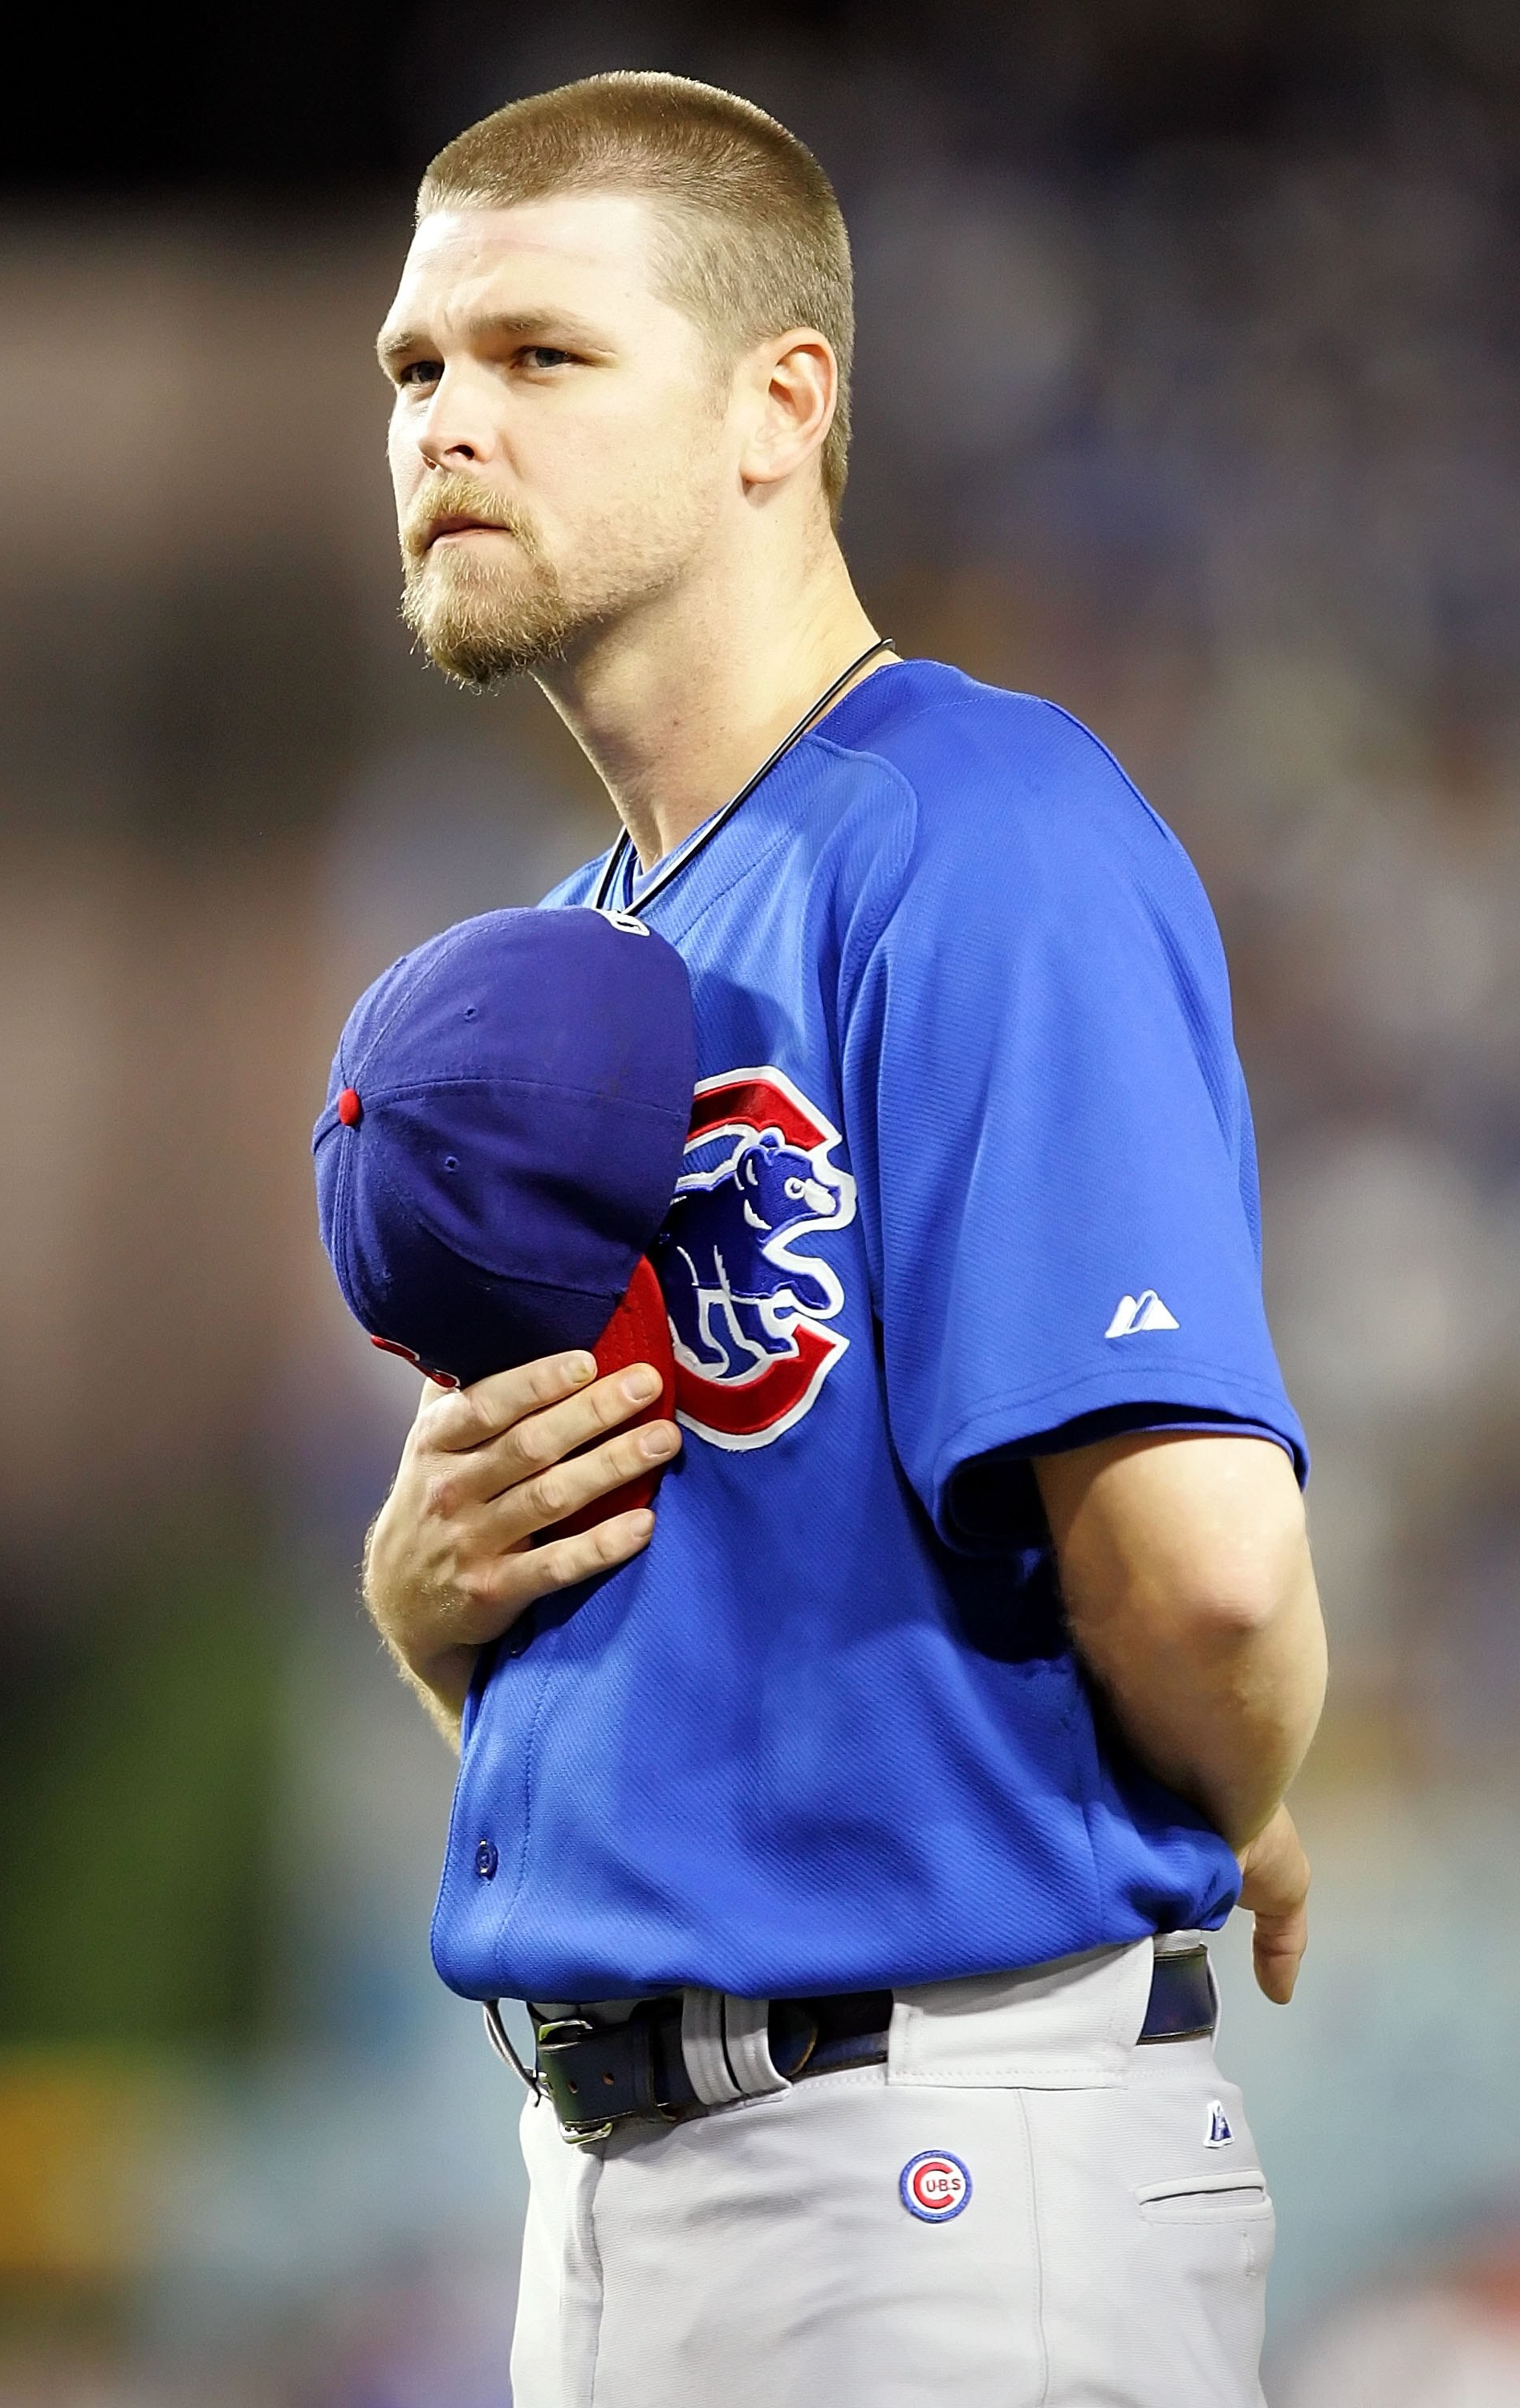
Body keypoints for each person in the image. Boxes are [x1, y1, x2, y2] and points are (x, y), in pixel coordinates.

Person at [359, 70, 1327, 2407]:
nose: (447, 423)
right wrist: (425, 1616)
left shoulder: (983, 838)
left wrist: (1245, 1784)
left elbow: (1198, 1572)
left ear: (780, 407)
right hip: (621, 2180)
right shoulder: (577, 953)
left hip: (931, 2179)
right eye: (414, 368)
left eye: (540, 357)